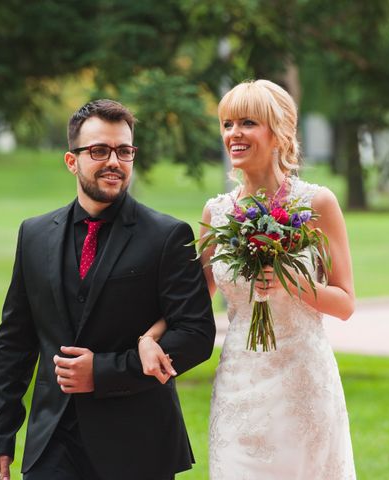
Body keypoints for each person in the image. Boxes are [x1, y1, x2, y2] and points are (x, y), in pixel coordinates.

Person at [0, 99, 216, 480]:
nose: (114, 162)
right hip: (52, 443)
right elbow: (14, 340)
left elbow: (195, 335)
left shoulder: (168, 236)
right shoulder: (34, 234)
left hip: (138, 445)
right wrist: (0, 436)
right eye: (99, 151)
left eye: (124, 151)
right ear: (71, 161)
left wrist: (105, 372)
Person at [139, 80, 357, 478]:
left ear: (279, 133)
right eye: (227, 124)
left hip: (302, 384)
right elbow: (193, 299)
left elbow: (345, 303)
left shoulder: (317, 204)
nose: (233, 134)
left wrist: (292, 282)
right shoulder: (216, 212)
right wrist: (149, 336)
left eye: (248, 122)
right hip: (240, 383)